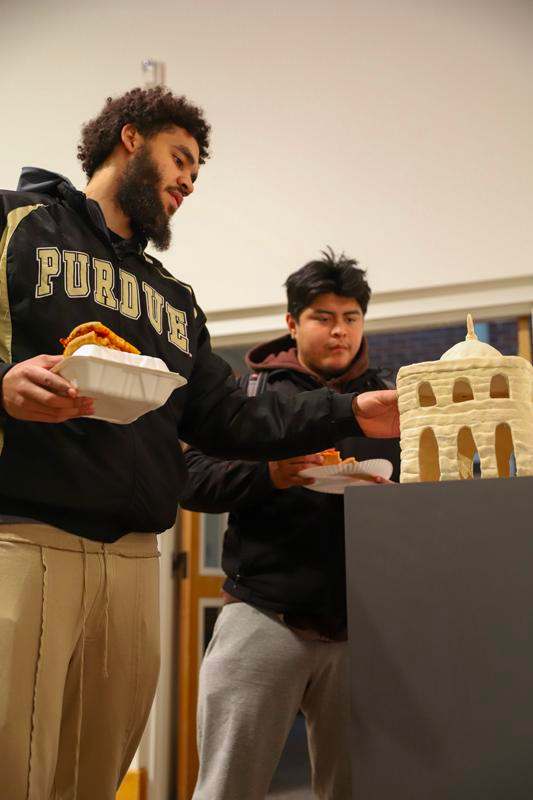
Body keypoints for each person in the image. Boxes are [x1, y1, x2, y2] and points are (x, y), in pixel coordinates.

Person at [0, 87, 398, 800]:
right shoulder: (16, 222)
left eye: (195, 171)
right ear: (129, 137)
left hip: (134, 558)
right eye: (179, 158)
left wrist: (349, 412)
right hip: (23, 539)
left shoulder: (175, 300)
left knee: (91, 778)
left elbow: (229, 419)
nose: (188, 181)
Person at [180, 249, 401, 800]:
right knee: (227, 786)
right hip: (262, 612)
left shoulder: (388, 402)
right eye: (323, 317)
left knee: (358, 788)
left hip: (363, 626)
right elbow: (191, 478)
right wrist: (270, 475)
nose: (339, 331)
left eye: (350, 317)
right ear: (292, 323)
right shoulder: (249, 396)